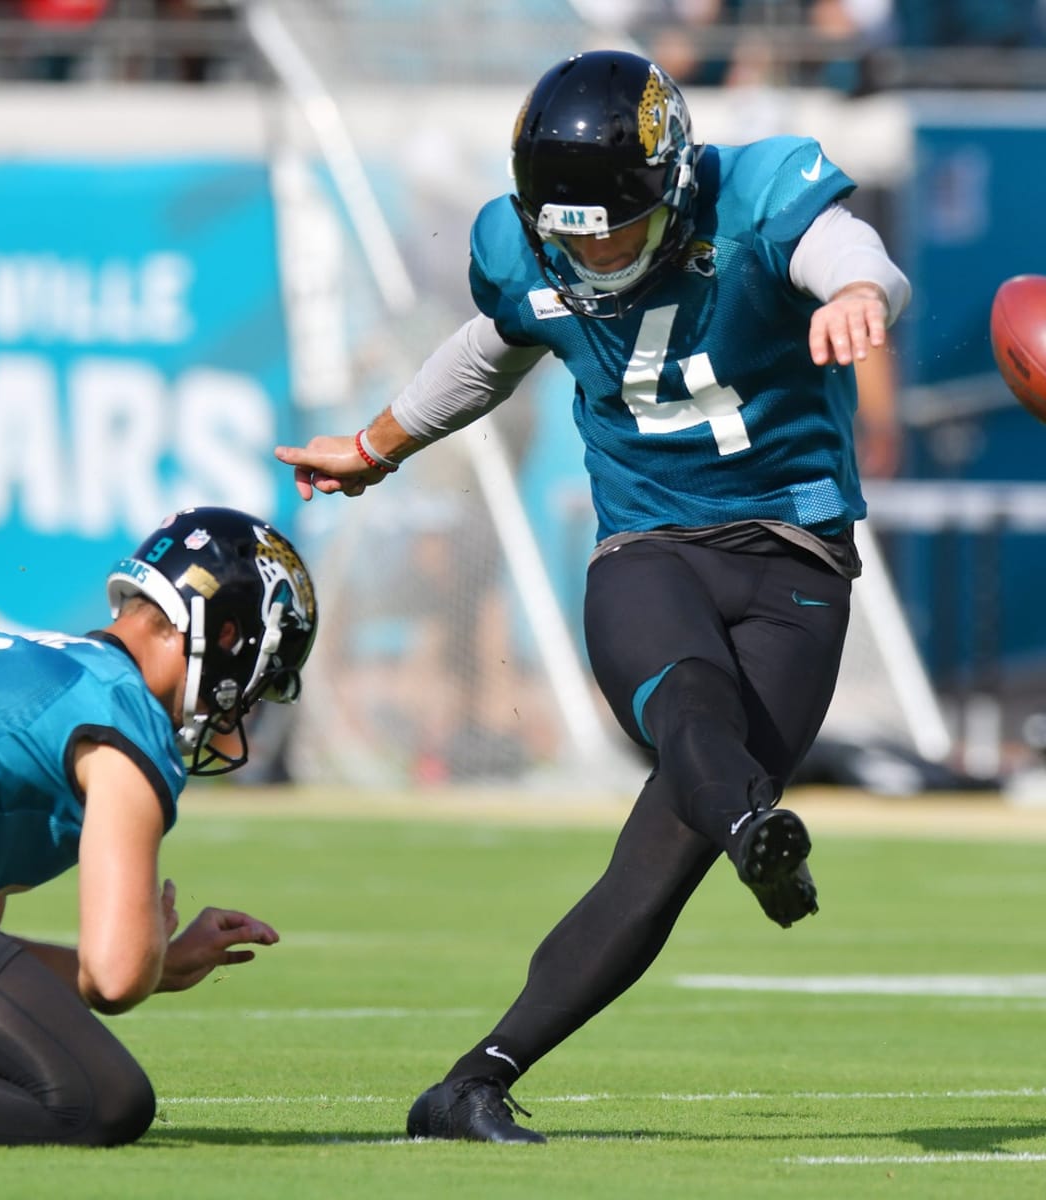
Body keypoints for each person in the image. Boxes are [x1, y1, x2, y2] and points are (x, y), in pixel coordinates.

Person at [276, 49, 912, 1143]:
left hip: (796, 563)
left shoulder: (756, 193)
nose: (590, 251)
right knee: (692, 709)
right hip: (650, 549)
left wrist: (859, 292)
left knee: (657, 866)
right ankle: (754, 821)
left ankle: (468, 1084)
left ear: (670, 186)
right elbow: (496, 343)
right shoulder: (527, 246)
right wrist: (377, 446)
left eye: (612, 229)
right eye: (567, 230)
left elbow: (854, 251)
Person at [0, 505, 317, 1145]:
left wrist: (163, 960)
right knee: (100, 1098)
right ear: (229, 635)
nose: (243, 708)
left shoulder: (44, 669)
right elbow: (116, 979)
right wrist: (147, 956)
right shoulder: (120, 717)